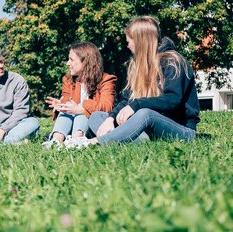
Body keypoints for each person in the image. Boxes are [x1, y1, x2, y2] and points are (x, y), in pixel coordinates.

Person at [67, 16, 200, 148]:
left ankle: (95, 142)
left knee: (145, 113)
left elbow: (172, 100)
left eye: (129, 41)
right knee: (97, 116)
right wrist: (110, 118)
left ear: (140, 41)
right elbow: (126, 100)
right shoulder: (137, 66)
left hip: (180, 130)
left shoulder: (174, 62)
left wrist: (137, 105)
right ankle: (123, 139)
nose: (128, 45)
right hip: (147, 130)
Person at [42, 42, 117, 147]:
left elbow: (107, 107)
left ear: (85, 62)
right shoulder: (68, 80)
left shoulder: (106, 80)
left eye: (71, 60)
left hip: (93, 124)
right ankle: (56, 140)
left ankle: (77, 140)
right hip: (71, 123)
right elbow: (69, 104)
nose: (68, 63)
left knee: (82, 111)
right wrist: (61, 104)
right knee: (66, 111)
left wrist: (80, 108)